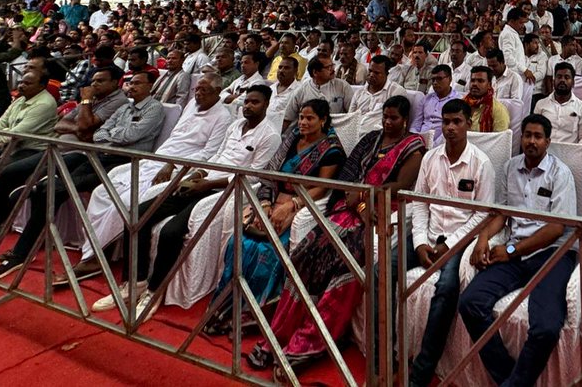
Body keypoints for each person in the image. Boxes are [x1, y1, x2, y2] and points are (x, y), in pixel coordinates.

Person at [246, 96, 426, 371]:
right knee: (305, 255)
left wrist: (361, 199)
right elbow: (347, 174)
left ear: (406, 120)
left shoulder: (414, 146)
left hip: (381, 212)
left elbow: (399, 185)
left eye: (394, 119)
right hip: (348, 207)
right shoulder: (370, 139)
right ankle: (277, 336)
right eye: (385, 117)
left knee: (346, 266)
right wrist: (354, 197)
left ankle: (309, 343)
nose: (388, 123)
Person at [87, 84, 281, 314]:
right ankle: (134, 283)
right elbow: (217, 155)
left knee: (171, 231)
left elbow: (253, 174)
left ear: (267, 105)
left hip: (228, 189)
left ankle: (153, 292)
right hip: (204, 178)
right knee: (137, 215)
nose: (248, 106)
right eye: (247, 101)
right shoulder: (236, 125)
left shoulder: (270, 135)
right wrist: (197, 175)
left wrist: (208, 184)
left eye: (255, 102)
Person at [0, 70, 166, 278]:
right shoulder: (125, 108)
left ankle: (22, 250)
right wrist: (111, 135)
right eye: (131, 83)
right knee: (55, 180)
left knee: (55, 190)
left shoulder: (155, 109)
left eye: (138, 83)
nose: (132, 86)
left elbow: (131, 135)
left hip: (124, 160)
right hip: (98, 154)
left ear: (150, 86)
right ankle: (26, 238)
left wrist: (111, 135)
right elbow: (98, 134)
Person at [66, 72, 233, 282]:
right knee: (102, 192)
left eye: (204, 90)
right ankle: (94, 250)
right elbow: (175, 137)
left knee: (126, 200)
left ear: (218, 92)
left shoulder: (223, 117)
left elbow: (209, 154)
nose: (198, 94)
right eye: (196, 89)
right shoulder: (192, 105)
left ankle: (97, 257)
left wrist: (171, 164)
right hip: (156, 159)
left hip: (179, 166)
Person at [199, 98, 345, 332]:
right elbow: (270, 173)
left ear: (323, 120)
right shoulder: (292, 138)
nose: (303, 123)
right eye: (301, 118)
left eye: (310, 118)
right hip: (273, 200)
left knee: (269, 251)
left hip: (300, 204)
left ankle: (254, 313)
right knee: (239, 243)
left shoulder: (331, 150)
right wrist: (265, 203)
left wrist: (291, 206)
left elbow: (322, 186)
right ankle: (225, 306)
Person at [459, 115, 577, 387]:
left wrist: (511, 249)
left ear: (548, 141)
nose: (531, 141)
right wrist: (482, 239)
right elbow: (501, 213)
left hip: (552, 254)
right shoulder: (510, 167)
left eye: (538, 137)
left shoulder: (561, 173)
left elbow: (556, 228)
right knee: (470, 303)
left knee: (546, 327)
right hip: (514, 252)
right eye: (527, 135)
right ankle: (510, 378)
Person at [407, 99, 496, 387]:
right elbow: (420, 204)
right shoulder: (430, 158)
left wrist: (452, 244)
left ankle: (422, 370)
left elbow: (483, 215)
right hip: (428, 232)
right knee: (383, 267)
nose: (450, 128)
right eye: (445, 122)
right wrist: (420, 241)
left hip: (461, 239)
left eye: (457, 121)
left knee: (446, 288)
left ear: (468, 123)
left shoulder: (481, 163)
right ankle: (384, 350)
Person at [0, 67, 58, 160]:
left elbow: (17, 134)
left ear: (41, 86)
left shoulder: (45, 104)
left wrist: (0, 135)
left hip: (33, 150)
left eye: (27, 83)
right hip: (9, 144)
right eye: (21, 82)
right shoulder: (21, 99)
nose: (21, 86)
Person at [534, 61, 582, 143]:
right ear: (553, 81)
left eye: (567, 77)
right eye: (559, 77)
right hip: (545, 152)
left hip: (571, 153)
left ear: (573, 83)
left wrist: (574, 154)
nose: (562, 80)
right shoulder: (541, 104)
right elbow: (535, 132)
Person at [351, 54, 408, 131]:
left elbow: (397, 123)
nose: (371, 75)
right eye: (370, 71)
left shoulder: (396, 92)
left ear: (387, 74)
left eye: (376, 73)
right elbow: (349, 117)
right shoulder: (359, 92)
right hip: (354, 133)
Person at [410, 63, 460, 144]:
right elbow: (416, 123)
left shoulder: (457, 100)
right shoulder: (426, 99)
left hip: (444, 142)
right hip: (420, 140)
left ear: (450, 79)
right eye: (433, 79)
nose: (435, 82)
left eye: (439, 79)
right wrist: (413, 140)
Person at [464, 65, 510, 133]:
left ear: (489, 85)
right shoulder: (462, 103)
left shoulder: (498, 110)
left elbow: (500, 139)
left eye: (480, 81)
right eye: (472, 80)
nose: (475, 84)